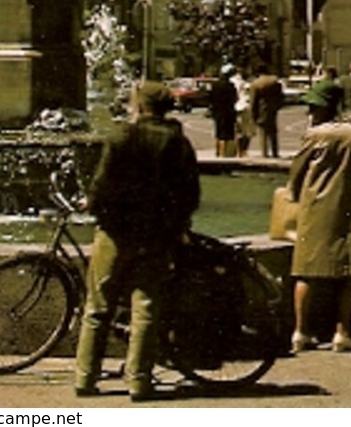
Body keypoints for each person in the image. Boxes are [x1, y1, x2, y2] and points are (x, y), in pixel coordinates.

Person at [74, 82, 200, 401]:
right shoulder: (177, 141)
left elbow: (102, 184)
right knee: (145, 306)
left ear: (140, 106)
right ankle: (139, 381)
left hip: (115, 233)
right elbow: (190, 193)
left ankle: (85, 378)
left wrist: (93, 206)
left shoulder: (121, 136)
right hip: (156, 234)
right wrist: (177, 224)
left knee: (98, 305)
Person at [287, 112, 351, 353]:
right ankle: (342, 332)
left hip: (315, 208)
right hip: (350, 210)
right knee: (346, 273)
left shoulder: (316, 135)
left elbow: (297, 171)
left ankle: (300, 331)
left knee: (306, 270)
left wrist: (296, 195)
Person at [250, 63, 284, 158]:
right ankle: (275, 152)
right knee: (273, 131)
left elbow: (253, 101)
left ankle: (264, 153)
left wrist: (253, 114)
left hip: (261, 109)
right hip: (272, 109)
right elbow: (281, 96)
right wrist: (278, 106)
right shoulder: (275, 81)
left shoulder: (256, 83)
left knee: (263, 132)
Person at [208, 64, 238, 157]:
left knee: (218, 132)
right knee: (228, 133)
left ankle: (218, 151)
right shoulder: (230, 85)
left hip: (217, 111)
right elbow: (235, 98)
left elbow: (210, 98)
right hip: (229, 111)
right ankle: (226, 153)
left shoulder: (215, 85)